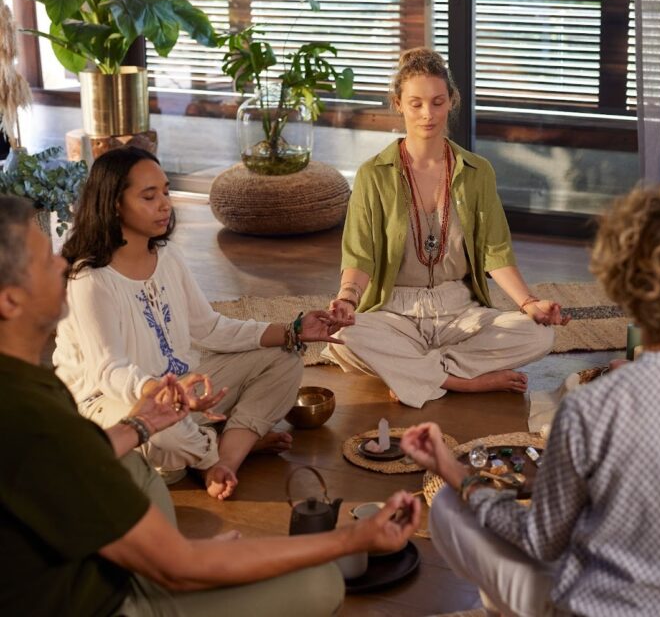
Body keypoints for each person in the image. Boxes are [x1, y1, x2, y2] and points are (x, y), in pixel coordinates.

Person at [0, 193, 420, 616]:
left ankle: (206, 468)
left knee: (134, 463)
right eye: (43, 261)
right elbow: (179, 570)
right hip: (113, 603)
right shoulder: (34, 415)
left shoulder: (28, 386)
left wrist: (143, 425)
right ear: (9, 300)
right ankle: (205, 470)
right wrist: (354, 539)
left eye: (165, 190)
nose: (60, 263)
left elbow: (74, 460)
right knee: (321, 581)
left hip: (122, 560)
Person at [402, 182, 660, 616]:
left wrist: (457, 474)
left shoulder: (593, 409)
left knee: (451, 507)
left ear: (624, 288)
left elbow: (541, 541)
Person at [53, 146, 349, 500]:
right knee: (166, 435)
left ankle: (222, 460)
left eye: (165, 191)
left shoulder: (167, 257)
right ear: (114, 204)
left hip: (180, 388)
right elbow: (110, 371)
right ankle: (216, 452)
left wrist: (292, 331)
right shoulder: (90, 280)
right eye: (149, 196)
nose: (165, 203)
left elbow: (209, 328)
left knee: (284, 359)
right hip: (110, 401)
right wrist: (165, 398)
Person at [325, 47, 568, 407]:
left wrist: (530, 304)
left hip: (460, 311)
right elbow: (360, 257)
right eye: (416, 103)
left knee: (539, 337)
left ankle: (416, 375)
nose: (428, 114)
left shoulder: (477, 171)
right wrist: (347, 299)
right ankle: (463, 381)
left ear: (452, 100)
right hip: (395, 311)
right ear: (398, 103)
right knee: (342, 337)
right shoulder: (372, 175)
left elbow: (495, 253)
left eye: (438, 102)